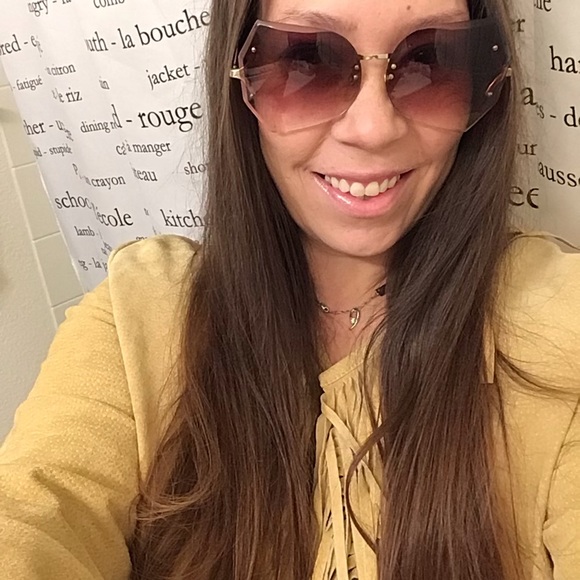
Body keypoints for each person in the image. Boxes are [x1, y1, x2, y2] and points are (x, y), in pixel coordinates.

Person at [1, 0, 579, 578]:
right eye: (308, 62)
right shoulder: (140, 316)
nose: (373, 128)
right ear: (240, 80)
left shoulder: (558, 317)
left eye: (431, 61)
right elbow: (34, 515)